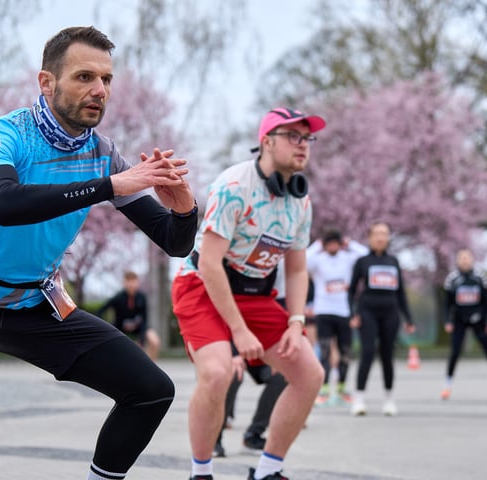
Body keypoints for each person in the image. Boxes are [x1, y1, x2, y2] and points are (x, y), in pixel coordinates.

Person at [0, 26, 198, 480]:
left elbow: (175, 243)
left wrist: (185, 209)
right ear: (47, 82)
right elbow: (5, 205)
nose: (99, 90)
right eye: (84, 77)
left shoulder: (103, 154)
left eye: (107, 79)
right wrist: (108, 187)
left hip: (37, 307)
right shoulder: (4, 134)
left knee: (152, 390)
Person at [171, 107, 326, 480]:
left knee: (310, 374)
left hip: (256, 294)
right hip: (204, 286)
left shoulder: (300, 200)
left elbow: (297, 268)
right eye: (293, 136)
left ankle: (267, 470)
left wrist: (296, 321)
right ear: (266, 142)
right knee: (218, 373)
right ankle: (201, 472)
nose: (302, 145)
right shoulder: (234, 186)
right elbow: (209, 264)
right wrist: (239, 332)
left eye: (307, 138)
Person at [348, 221, 416, 417]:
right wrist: (353, 314)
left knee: (387, 355)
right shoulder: (362, 262)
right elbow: (352, 290)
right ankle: (359, 398)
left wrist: (409, 319)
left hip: (390, 313)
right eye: (376, 234)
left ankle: (389, 398)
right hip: (367, 311)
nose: (380, 237)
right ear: (370, 237)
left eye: (384, 234)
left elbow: (401, 292)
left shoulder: (393, 262)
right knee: (367, 352)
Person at [440, 248, 487, 401]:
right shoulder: (452, 280)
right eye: (461, 258)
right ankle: (447, 386)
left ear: (472, 259)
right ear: (457, 260)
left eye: (467, 257)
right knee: (455, 352)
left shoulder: (480, 278)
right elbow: (447, 304)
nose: (464, 260)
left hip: (478, 319)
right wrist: (447, 320)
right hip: (459, 320)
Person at [307, 229, 368, 406]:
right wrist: (316, 245)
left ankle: (341, 387)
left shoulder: (347, 258)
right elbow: (302, 261)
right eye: (329, 243)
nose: (332, 246)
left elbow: (365, 257)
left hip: (344, 312)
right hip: (324, 311)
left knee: (346, 351)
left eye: (336, 243)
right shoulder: (318, 259)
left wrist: (351, 244)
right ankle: (324, 388)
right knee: (324, 351)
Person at [96, 270, 162, 359]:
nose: (131, 284)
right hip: (121, 327)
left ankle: (150, 366)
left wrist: (141, 340)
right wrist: (105, 327)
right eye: (128, 281)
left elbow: (144, 320)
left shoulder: (142, 297)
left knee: (155, 341)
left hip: (138, 327)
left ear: (137, 283)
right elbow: (100, 311)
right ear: (124, 283)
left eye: (133, 281)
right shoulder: (118, 298)